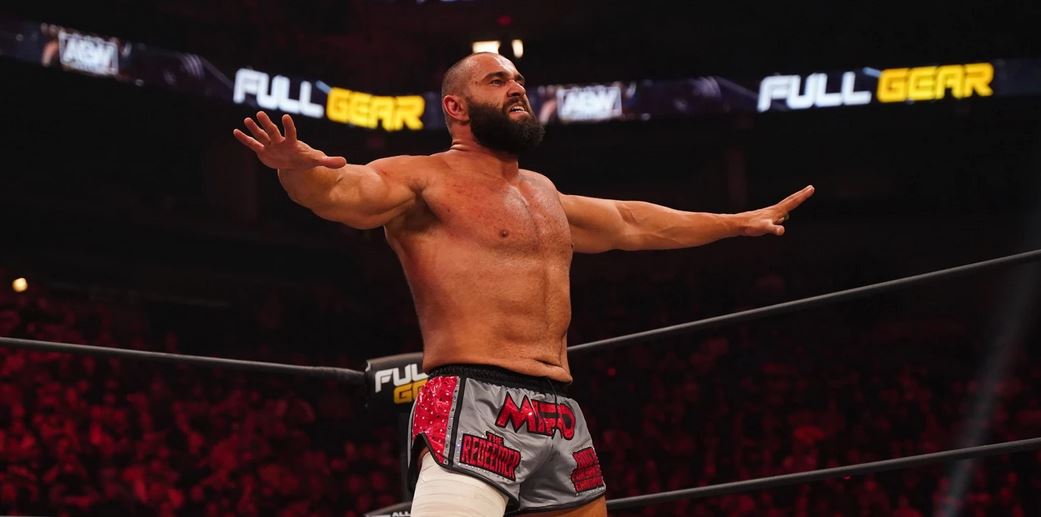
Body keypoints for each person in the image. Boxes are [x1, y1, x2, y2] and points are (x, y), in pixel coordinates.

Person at [233, 52, 814, 517]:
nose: (516, 88)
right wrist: (295, 169)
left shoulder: (542, 191)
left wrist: (735, 223)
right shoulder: (422, 177)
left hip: (559, 408)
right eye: (497, 81)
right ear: (456, 106)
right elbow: (341, 193)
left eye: (518, 81)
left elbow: (630, 222)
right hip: (472, 395)